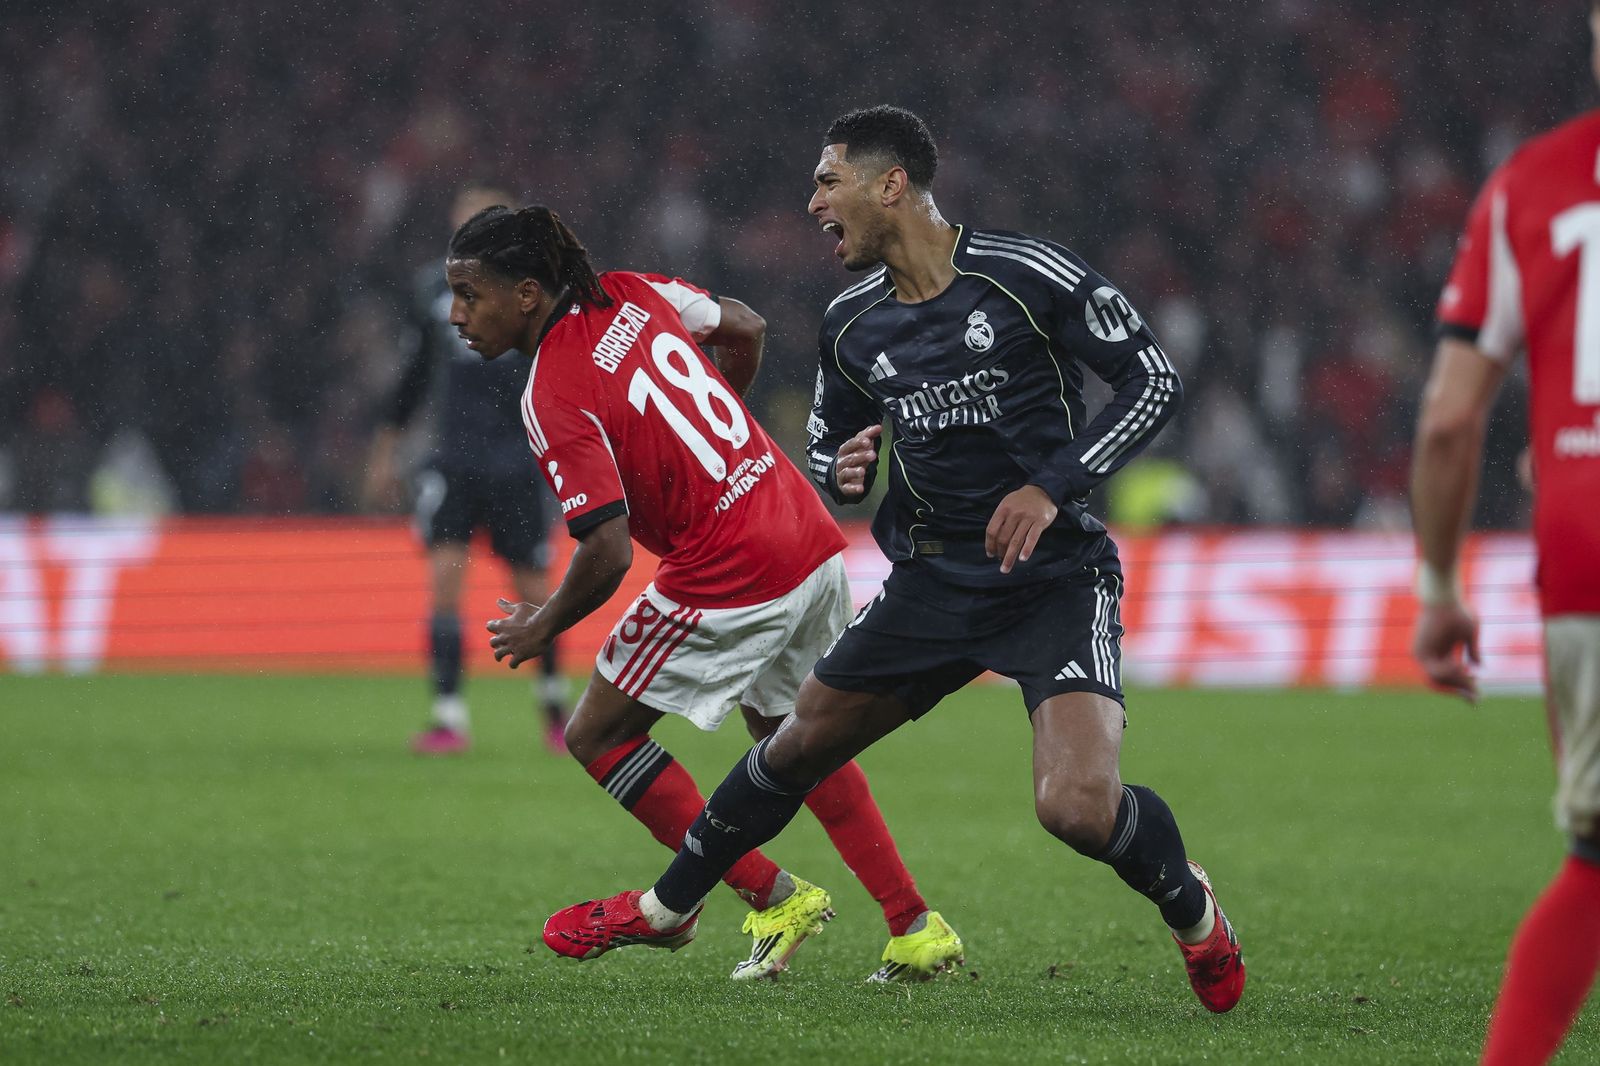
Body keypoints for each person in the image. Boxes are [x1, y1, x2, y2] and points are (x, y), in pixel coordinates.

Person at [544, 105, 1246, 1012]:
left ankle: (1193, 913)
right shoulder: (850, 323)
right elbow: (833, 440)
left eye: (828, 181)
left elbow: (1154, 379)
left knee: (1074, 807)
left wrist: (1051, 485)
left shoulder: (1025, 276)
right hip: (930, 585)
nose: (812, 203)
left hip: (1052, 580)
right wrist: (843, 466)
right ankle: (665, 906)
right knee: (793, 746)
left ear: (891, 186)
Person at [449, 201, 961, 981]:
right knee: (794, 740)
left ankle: (765, 895)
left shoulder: (551, 391)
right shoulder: (631, 289)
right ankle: (913, 924)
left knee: (598, 735)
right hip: (801, 525)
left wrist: (542, 626)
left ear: (525, 294)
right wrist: (725, 409)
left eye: (469, 294)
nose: (456, 315)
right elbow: (746, 324)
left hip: (732, 566)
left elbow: (608, 549)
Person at [1413, 6, 1600, 1060]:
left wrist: (1438, 586)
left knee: (1592, 861)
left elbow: (1447, 420)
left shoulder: (1534, 183)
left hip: (1586, 552)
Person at [364, 184, 567, 756]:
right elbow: (412, 376)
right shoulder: (433, 288)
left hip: (518, 459)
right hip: (453, 459)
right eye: (461, 217)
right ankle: (449, 719)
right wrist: (387, 451)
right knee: (445, 588)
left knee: (536, 596)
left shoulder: (534, 291)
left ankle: (555, 714)